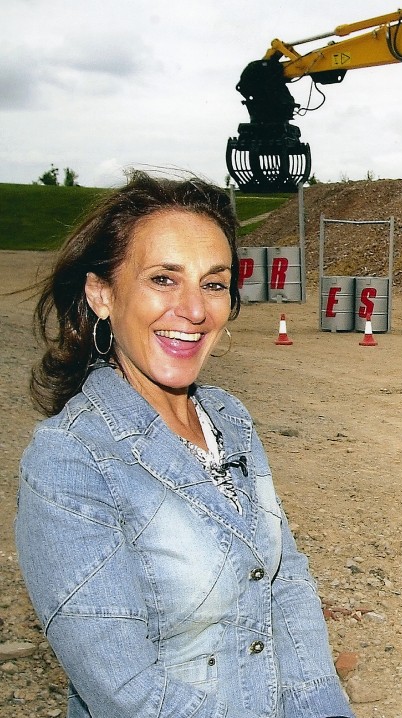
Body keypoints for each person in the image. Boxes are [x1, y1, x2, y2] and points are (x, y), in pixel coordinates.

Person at [15, 172, 354, 717]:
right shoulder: (70, 462)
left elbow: (283, 587)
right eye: (164, 279)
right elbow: (127, 691)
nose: (195, 310)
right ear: (102, 293)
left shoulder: (229, 419)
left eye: (213, 283)